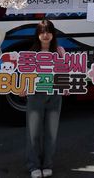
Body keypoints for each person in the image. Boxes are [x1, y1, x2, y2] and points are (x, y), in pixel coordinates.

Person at [24, 20, 66, 178]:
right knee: (33, 132)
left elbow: (66, 72)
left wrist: (67, 86)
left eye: (48, 31)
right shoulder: (31, 53)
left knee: (51, 132)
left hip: (55, 95)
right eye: (42, 31)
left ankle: (47, 164)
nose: (45, 35)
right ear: (37, 35)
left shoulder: (60, 51)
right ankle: (33, 165)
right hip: (35, 95)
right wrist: (22, 89)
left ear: (53, 34)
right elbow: (24, 77)